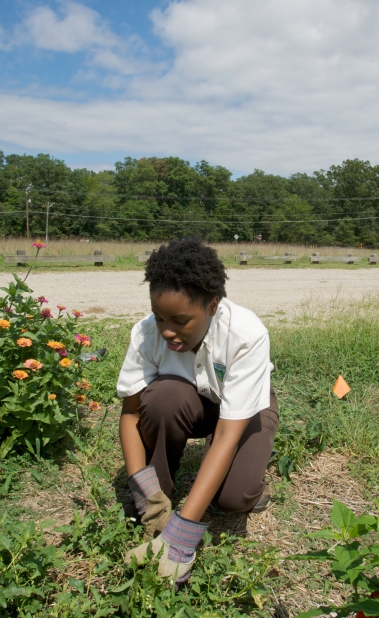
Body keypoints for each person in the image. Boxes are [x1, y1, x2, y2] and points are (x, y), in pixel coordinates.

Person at [117, 238, 278, 583]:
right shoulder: (146, 334)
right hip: (189, 403)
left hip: (243, 412)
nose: (167, 330)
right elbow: (131, 415)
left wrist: (182, 533)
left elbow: (227, 434)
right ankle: (160, 491)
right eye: (160, 317)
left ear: (213, 305)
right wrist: (144, 491)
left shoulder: (246, 334)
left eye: (180, 320)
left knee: (233, 498)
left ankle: (252, 481)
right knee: (163, 398)